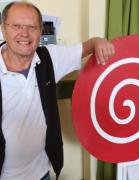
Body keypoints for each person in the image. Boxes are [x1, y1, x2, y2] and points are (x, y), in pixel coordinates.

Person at [0, 1, 115, 180]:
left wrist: (99, 41)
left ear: (40, 31)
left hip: (42, 173)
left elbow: (89, 46)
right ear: (3, 28)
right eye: (16, 26)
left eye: (32, 27)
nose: (24, 33)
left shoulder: (49, 58)